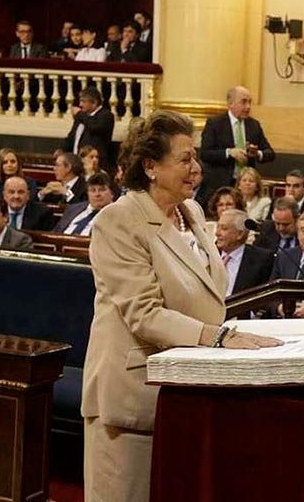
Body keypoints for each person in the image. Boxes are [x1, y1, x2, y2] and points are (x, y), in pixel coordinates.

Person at [81, 110, 281, 502]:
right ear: (150, 167)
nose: (196, 168)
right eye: (185, 159)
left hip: (190, 390)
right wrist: (217, 337)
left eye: (196, 158)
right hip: (135, 394)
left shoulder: (192, 212)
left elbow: (205, 293)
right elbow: (144, 313)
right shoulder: (118, 221)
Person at [199, 86, 275, 192]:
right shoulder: (215, 123)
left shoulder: (253, 125)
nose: (248, 107)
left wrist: (257, 153)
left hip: (246, 186)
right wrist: (229, 152)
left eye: (249, 102)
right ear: (230, 103)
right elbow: (205, 154)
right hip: (220, 184)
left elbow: (270, 153)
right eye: (243, 102)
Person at [215, 208, 273, 296]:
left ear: (240, 234)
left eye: (224, 228)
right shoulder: (208, 255)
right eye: (217, 227)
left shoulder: (262, 260)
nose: (217, 233)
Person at [64, 87, 115, 168]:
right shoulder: (82, 116)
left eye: (83, 101)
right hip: (77, 163)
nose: (80, 105)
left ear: (94, 103)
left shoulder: (106, 115)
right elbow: (72, 136)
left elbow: (94, 127)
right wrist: (62, 150)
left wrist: (79, 114)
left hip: (95, 165)